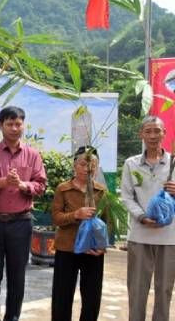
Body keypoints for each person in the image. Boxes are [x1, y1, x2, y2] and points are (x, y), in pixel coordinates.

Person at [0, 106, 46, 321]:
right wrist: (3, 182)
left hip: (21, 223)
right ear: (0, 125)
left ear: (23, 125)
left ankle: (13, 317)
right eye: (9, 124)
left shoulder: (33, 155)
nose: (14, 128)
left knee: (17, 276)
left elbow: (41, 185)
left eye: (18, 123)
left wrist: (23, 185)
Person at [120, 115, 175, 321]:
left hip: (169, 237)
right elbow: (126, 196)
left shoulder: (174, 162)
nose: (153, 135)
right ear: (141, 134)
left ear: (164, 133)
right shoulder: (131, 164)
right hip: (140, 235)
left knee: (164, 290)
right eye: (148, 131)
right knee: (136, 290)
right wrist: (141, 216)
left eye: (157, 131)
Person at [51, 145, 107, 321]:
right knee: (62, 295)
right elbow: (56, 218)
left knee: (92, 296)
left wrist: (102, 247)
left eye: (92, 165)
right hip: (67, 248)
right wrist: (76, 215)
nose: (87, 168)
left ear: (97, 168)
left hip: (92, 250)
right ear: (75, 165)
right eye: (83, 164)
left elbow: (106, 222)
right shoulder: (63, 189)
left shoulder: (101, 191)